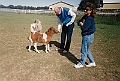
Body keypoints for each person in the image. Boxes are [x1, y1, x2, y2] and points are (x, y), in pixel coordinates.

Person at [74, 2, 96, 68]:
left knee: (83, 50)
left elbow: (84, 28)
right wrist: (80, 23)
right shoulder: (85, 16)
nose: (85, 10)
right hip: (86, 35)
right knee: (87, 49)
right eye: (85, 9)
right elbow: (78, 22)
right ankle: (92, 62)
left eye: (87, 9)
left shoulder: (90, 19)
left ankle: (81, 63)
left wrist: (81, 24)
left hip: (88, 36)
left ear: (90, 11)